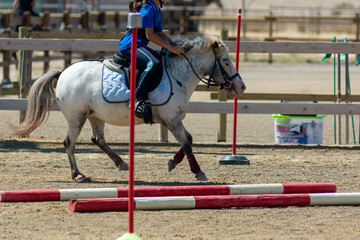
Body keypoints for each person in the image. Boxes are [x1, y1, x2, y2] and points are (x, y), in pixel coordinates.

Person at [119, 0, 185, 119]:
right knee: (152, 64)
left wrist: (175, 44)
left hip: (140, 45)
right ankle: (137, 96)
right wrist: (171, 48)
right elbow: (150, 35)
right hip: (130, 44)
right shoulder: (148, 8)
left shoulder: (156, 8)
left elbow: (159, 33)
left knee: (161, 59)